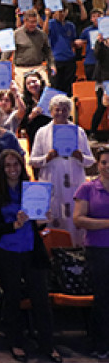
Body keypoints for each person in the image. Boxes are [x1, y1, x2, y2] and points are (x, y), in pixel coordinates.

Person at [0, 150, 62, 363]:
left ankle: (47, 344)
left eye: (16, 165)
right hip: (7, 251)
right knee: (12, 299)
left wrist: (43, 220)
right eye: (8, 166)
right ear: (2, 169)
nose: (12, 170)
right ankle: (16, 342)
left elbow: (39, 223)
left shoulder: (32, 190)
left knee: (41, 299)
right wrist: (14, 225)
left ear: (22, 167)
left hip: (32, 249)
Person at [29, 93, 94, 244]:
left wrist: (80, 157)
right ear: (51, 111)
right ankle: (54, 254)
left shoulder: (79, 132)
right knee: (54, 218)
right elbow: (32, 160)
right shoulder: (42, 132)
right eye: (57, 109)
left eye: (64, 109)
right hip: (53, 183)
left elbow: (91, 161)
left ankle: (76, 253)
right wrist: (47, 158)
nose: (60, 113)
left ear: (69, 111)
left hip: (74, 184)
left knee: (74, 220)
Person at [73, 147, 109, 358]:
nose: (107, 167)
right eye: (104, 162)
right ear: (97, 164)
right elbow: (78, 220)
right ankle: (101, 344)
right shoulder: (87, 188)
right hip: (98, 251)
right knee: (102, 299)